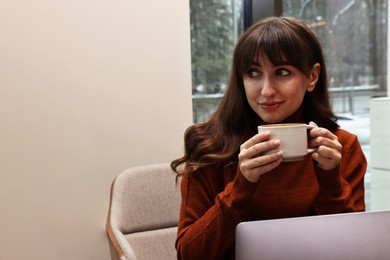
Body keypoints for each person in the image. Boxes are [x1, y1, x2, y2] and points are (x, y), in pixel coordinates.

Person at [171, 16, 367, 260]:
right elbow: (189, 255)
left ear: (312, 77)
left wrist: (330, 179)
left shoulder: (341, 148)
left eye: (282, 72)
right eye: (253, 73)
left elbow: (354, 249)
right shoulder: (209, 146)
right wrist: (241, 186)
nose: (265, 91)